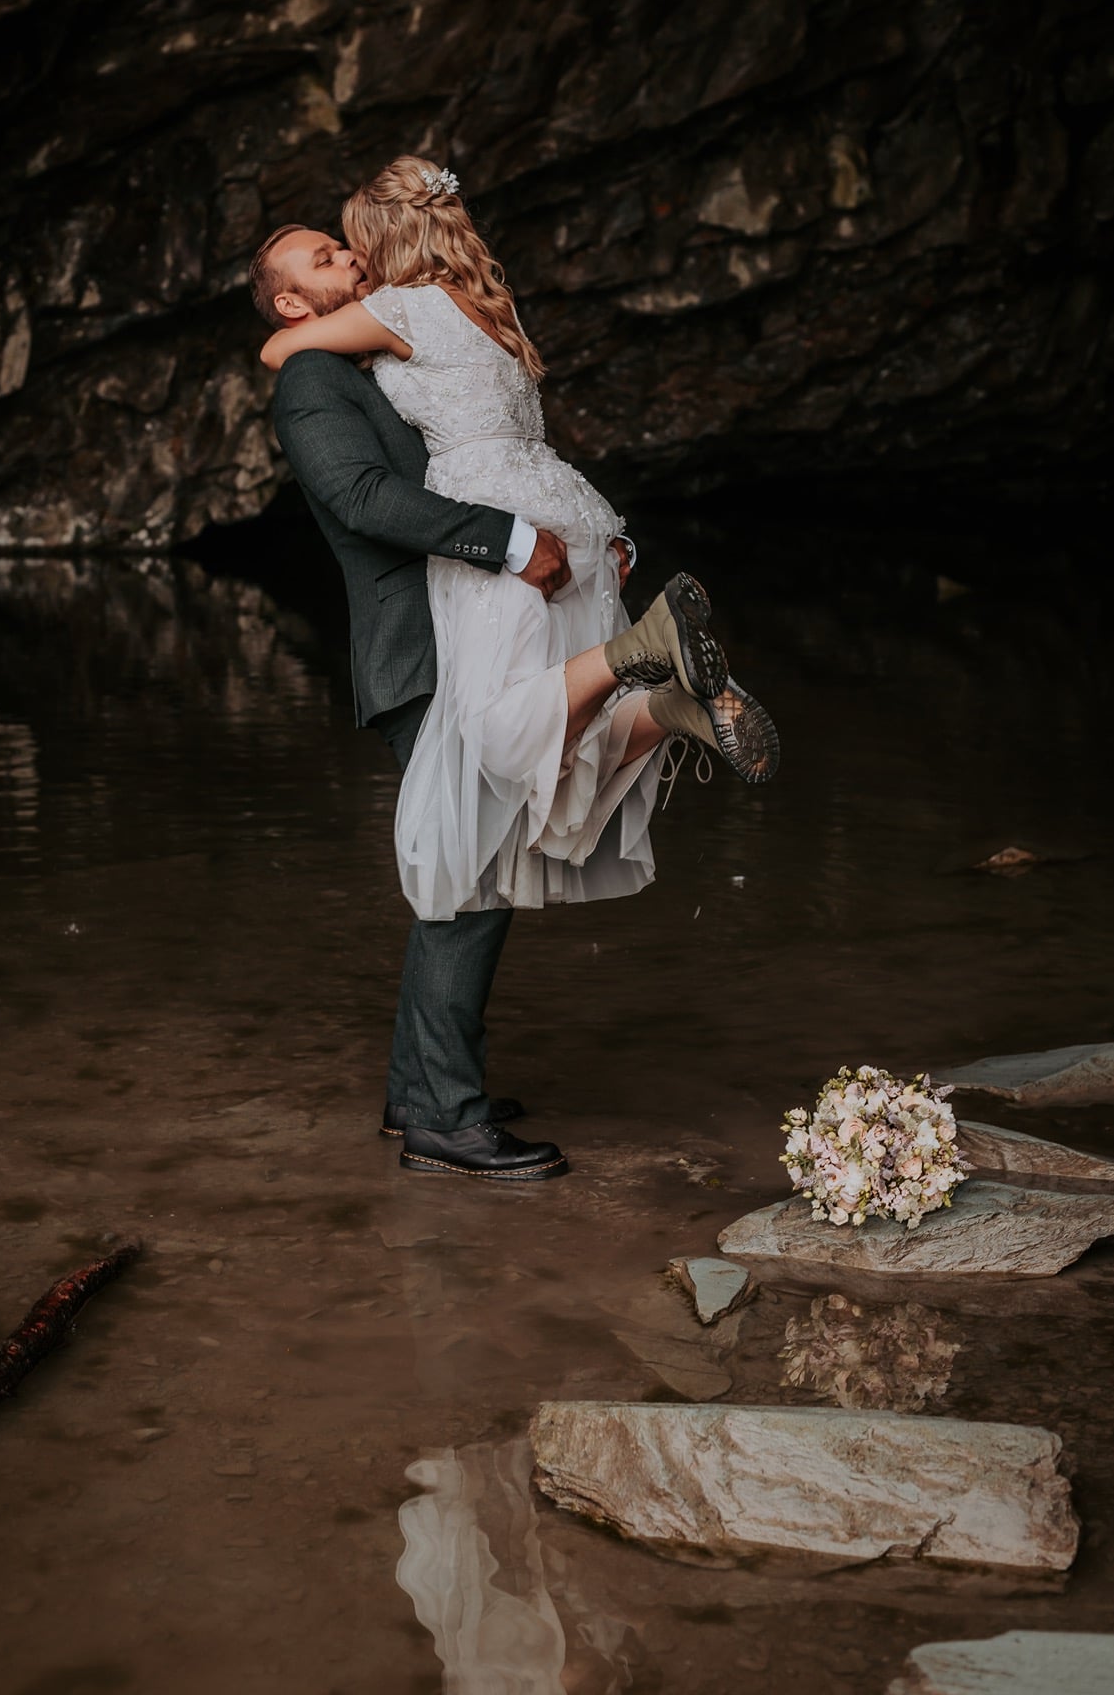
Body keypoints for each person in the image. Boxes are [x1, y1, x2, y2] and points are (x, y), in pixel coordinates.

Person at [252, 161, 777, 1183]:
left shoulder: (379, 342)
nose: (347, 257)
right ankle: (444, 1118)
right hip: (424, 639)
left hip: (480, 612)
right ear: (288, 299)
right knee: (471, 870)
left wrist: (568, 537)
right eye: (323, 256)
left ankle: (423, 1089)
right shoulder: (313, 375)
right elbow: (364, 497)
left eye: (345, 243)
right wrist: (506, 538)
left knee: (479, 855)